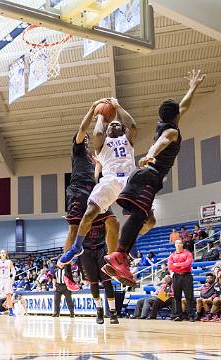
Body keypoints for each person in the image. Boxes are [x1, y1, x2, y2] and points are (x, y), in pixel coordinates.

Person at [102, 69, 206, 286]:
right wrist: (150, 154)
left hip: (144, 177)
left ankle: (123, 255)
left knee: (150, 220)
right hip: (148, 175)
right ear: (176, 116)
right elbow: (163, 142)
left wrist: (192, 87)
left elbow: (184, 106)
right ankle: (119, 255)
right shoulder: (172, 132)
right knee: (140, 215)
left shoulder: (166, 124)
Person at [61, 97, 138, 264]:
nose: (86, 139)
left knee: (115, 223)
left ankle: (116, 258)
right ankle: (68, 265)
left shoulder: (97, 155)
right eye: (112, 124)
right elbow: (92, 132)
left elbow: (131, 126)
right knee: (76, 225)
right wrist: (100, 114)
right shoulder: (83, 147)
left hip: (116, 182)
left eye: (118, 124)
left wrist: (98, 167)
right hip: (81, 188)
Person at [61, 98, 119, 289]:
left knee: (111, 220)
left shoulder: (91, 157)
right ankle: (67, 273)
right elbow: (83, 129)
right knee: (74, 229)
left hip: (93, 189)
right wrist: (93, 108)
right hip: (77, 189)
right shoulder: (77, 150)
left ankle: (113, 261)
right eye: (83, 137)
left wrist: (98, 167)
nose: (85, 138)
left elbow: (94, 177)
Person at [78, 218, 119, 324]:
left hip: (101, 249)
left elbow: (113, 229)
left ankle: (113, 312)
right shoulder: (82, 217)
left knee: (107, 282)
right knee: (94, 283)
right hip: (86, 252)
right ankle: (99, 310)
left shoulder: (104, 215)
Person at [168, 239, 195, 321]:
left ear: (182, 244)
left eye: (180, 243)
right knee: (177, 297)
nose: (179, 244)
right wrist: (181, 266)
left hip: (187, 276)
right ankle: (178, 315)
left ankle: (190, 316)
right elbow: (170, 266)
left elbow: (188, 264)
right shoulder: (172, 255)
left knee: (189, 296)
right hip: (176, 276)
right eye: (177, 243)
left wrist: (177, 265)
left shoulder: (188, 253)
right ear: (175, 245)